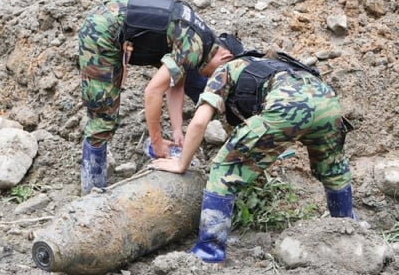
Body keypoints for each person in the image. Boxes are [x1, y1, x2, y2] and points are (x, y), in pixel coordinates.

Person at [151, 52, 357, 263]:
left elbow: (199, 122)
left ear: (226, 56)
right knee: (333, 169)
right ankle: (348, 229)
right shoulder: (271, 65)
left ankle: (209, 252)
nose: (204, 71)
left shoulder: (225, 70)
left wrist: (181, 163)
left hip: (286, 105)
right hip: (327, 100)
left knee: (224, 169)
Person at [78, 0, 239, 195]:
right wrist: (157, 141)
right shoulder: (195, 47)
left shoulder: (201, 39)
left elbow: (176, 84)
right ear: (226, 56)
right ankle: (91, 190)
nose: (217, 79)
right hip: (102, 31)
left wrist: (177, 131)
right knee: (103, 116)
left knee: (108, 114)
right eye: (222, 72)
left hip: (117, 19)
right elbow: (152, 91)